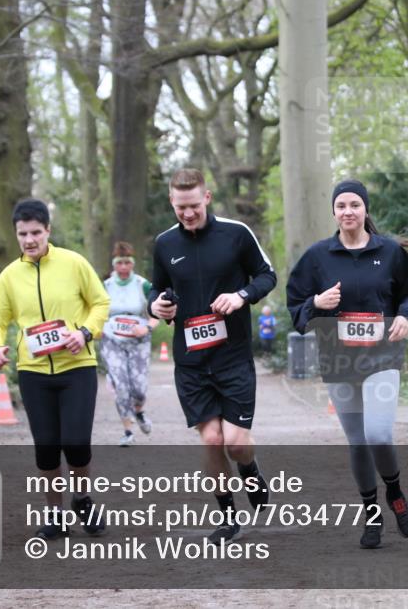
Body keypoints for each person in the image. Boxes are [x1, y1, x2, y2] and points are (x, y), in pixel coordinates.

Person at [286, 180, 408, 549]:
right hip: (339, 361)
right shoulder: (317, 257)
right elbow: (295, 307)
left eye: (354, 205)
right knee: (358, 443)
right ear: (333, 212)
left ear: (365, 209)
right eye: (341, 206)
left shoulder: (391, 253)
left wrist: (407, 317)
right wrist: (316, 302)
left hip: (382, 357)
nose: (348, 211)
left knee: (378, 434)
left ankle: (394, 494)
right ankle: (371, 513)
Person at [148, 168, 277, 544]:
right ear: (172, 202)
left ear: (206, 198)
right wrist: (157, 305)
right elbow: (157, 288)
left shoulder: (236, 234)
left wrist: (241, 296)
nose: (187, 214)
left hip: (232, 356)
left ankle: (249, 467)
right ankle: (227, 516)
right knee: (210, 440)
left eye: (193, 206)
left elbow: (267, 276)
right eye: (179, 207)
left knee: (236, 443)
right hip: (190, 360)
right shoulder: (165, 244)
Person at [0, 198, 110, 540]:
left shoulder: (73, 263)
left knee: (76, 442)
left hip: (77, 367)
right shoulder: (10, 276)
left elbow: (100, 303)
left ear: (48, 231)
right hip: (34, 372)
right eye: (23, 234)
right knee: (46, 446)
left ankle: (82, 499)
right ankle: (55, 516)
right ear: (16, 234)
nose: (29, 240)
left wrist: (84, 332)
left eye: (36, 232)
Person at [102, 241, 160, 447]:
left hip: (138, 340)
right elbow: (96, 310)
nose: (124, 267)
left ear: (133, 264)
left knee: (139, 388)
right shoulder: (106, 286)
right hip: (113, 340)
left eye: (128, 262)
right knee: (121, 384)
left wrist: (148, 327)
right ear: (114, 264)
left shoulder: (142, 284)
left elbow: (158, 310)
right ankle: (127, 430)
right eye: (120, 263)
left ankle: (139, 411)